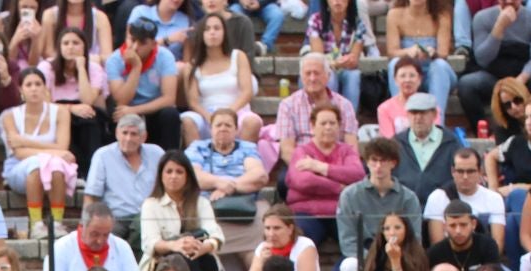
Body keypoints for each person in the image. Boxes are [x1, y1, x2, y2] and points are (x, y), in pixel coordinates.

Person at [337, 136, 423, 271]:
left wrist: (394, 256)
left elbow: (416, 237)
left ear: (393, 163)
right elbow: (348, 241)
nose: (378, 166)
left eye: (383, 161)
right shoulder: (349, 195)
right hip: (364, 256)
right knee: (349, 267)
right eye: (373, 160)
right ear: (366, 162)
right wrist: (374, 258)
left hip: (401, 254)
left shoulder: (408, 197)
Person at [4, 66, 78, 233]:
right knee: (38, 164)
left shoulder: (60, 112)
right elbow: (20, 153)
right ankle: (36, 223)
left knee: (56, 166)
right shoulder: (10, 116)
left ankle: (57, 222)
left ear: (45, 88)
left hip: (53, 168)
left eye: (38, 84)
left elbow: (62, 146)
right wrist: (56, 152)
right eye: (29, 85)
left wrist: (24, 141)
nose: (34, 89)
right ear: (21, 89)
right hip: (19, 169)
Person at [459, 0, 531, 124]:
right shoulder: (481, 18)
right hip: (493, 75)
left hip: (524, 75)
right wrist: (500, 26)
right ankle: (483, 129)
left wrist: (519, 81)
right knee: (467, 84)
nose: (509, 1)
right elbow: (482, 59)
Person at [139, 149, 221, 271]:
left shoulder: (201, 202)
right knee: (181, 258)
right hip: (162, 263)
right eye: (169, 171)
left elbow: (215, 234)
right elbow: (150, 243)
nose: (173, 176)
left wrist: (201, 247)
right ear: (161, 175)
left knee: (203, 260)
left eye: (179, 172)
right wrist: (175, 245)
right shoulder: (150, 205)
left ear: (187, 176)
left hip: (199, 259)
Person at [285, 103, 363, 241]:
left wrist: (321, 167)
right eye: (323, 123)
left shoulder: (347, 150)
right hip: (307, 212)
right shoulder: (302, 151)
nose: (328, 127)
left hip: (341, 212)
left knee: (357, 241)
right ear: (313, 126)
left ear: (339, 126)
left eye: (332, 123)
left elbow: (357, 174)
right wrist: (339, 187)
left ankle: (344, 264)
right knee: (302, 239)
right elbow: (304, 181)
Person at [50, 200, 146, 271]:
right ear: (82, 227)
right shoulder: (61, 247)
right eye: (94, 234)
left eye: (106, 235)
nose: (100, 241)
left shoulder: (121, 247)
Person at [180, 11, 260, 144]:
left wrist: (228, 113)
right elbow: (193, 102)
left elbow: (247, 92)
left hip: (236, 110)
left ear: (224, 32)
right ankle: (196, 161)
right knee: (188, 121)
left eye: (217, 28)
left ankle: (243, 160)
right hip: (206, 115)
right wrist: (210, 117)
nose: (212, 32)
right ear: (201, 34)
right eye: (207, 29)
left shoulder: (238, 56)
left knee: (252, 122)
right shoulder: (191, 66)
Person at [42, 25, 111, 178]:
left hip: (84, 110)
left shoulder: (93, 68)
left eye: (75, 43)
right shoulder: (47, 67)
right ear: (59, 47)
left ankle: (91, 173)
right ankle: (74, 172)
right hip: (56, 111)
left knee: (90, 120)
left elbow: (88, 100)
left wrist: (81, 68)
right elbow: (44, 104)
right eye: (65, 43)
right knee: (67, 122)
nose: (70, 47)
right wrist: (70, 109)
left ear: (84, 46)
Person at [272, 52, 359, 174]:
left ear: (328, 76)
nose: (312, 78)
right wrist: (313, 168)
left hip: (337, 163)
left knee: (360, 174)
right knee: (283, 182)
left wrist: (330, 170)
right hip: (302, 165)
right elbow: (287, 150)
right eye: (308, 74)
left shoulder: (344, 105)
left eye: (317, 73)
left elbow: (352, 147)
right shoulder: (288, 105)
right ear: (301, 76)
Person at [104, 16, 182, 149]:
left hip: (152, 110)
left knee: (170, 114)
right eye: (132, 40)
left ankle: (170, 159)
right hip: (126, 110)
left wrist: (135, 109)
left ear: (153, 44)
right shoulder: (114, 60)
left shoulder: (165, 56)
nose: (135, 47)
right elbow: (121, 99)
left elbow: (169, 99)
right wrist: (136, 68)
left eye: (142, 43)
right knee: (114, 111)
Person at [85, 113, 165, 241]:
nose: (128, 138)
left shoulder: (156, 153)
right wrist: (86, 225)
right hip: (116, 218)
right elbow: (91, 195)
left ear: (143, 137)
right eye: (124, 133)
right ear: (117, 133)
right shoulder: (103, 155)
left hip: (150, 216)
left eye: (133, 134)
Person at [425, 148, 508, 246]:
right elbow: (437, 243)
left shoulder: (494, 199)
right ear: (452, 171)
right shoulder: (437, 198)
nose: (465, 176)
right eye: (460, 171)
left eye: (470, 171)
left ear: (480, 171)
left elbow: (497, 244)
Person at [386, 0, 456, 112]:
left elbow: (443, 53)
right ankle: (402, 117)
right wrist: (408, 52)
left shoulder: (442, 15)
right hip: (410, 74)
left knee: (439, 65)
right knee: (394, 64)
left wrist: (432, 53)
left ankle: (437, 123)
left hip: (435, 73)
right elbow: (392, 51)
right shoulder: (394, 15)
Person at [308, 0, 376, 110]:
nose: (337, 1)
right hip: (324, 68)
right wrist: (335, 64)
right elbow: (318, 58)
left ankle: (350, 119)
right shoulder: (316, 20)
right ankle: (327, 116)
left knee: (353, 75)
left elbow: (354, 58)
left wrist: (347, 61)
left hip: (346, 68)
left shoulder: (357, 23)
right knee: (330, 77)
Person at [396, 91, 462, 202]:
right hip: (403, 207)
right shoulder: (396, 143)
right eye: (413, 112)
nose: (418, 117)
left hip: (442, 207)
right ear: (407, 115)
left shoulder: (451, 142)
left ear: (435, 114)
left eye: (423, 113)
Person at [243, 203, 322, 271]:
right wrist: (260, 263)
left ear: (290, 229)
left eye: (277, 228)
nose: (271, 234)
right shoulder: (262, 248)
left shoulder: (304, 245)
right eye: (267, 228)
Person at [428, 198, 503, 271]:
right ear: (445, 227)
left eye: (463, 225)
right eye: (452, 226)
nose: (458, 231)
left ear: (473, 224)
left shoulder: (487, 246)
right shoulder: (435, 253)